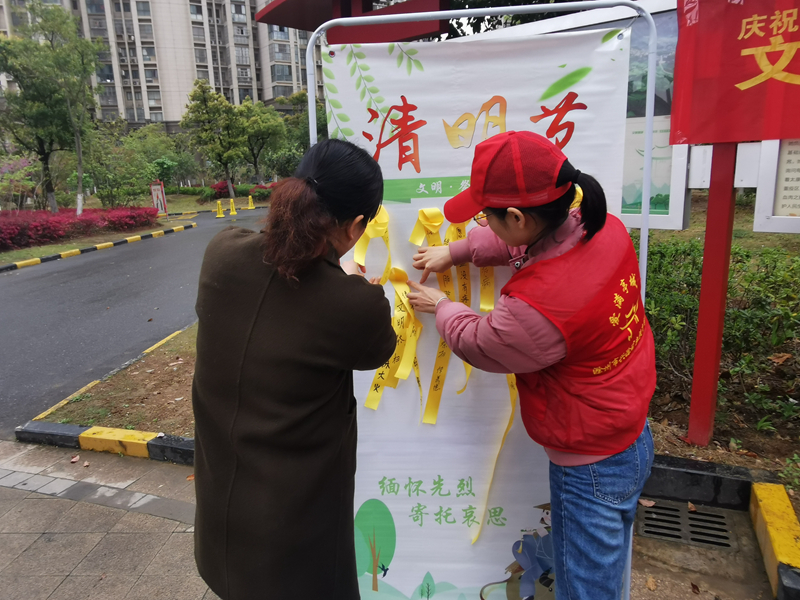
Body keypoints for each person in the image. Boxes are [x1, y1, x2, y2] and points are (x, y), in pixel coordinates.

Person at [407, 131, 656, 600]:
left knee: (586, 591)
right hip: (631, 431)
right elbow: (528, 242)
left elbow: (481, 342)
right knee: (605, 572)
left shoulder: (538, 308)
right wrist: (458, 250)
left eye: (486, 215)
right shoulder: (600, 225)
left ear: (518, 217)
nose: (484, 221)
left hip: (590, 464)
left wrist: (441, 305)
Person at [192, 139, 396, 600]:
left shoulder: (222, 251)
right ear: (356, 226)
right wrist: (355, 285)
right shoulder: (353, 304)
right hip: (295, 540)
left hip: (222, 523)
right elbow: (379, 349)